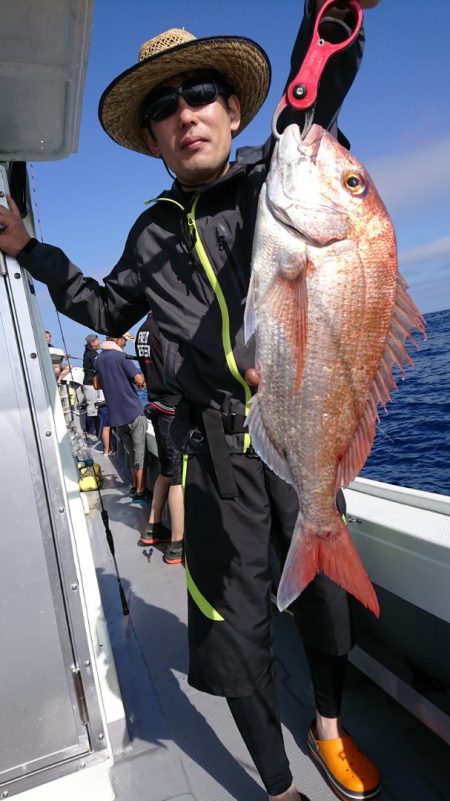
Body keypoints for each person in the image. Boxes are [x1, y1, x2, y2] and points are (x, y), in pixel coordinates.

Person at [0, 3, 384, 799]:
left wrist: (331, 15)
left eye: (201, 91)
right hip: (214, 460)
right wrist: (29, 249)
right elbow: (106, 310)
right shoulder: (148, 234)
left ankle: (329, 729)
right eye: (162, 108)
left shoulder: (274, 179)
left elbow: (313, 99)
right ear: (152, 138)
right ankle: (278, 785)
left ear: (234, 108)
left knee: (329, 612)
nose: (184, 114)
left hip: (297, 432)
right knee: (234, 637)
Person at [135, 311, 184, 565]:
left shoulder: (143, 329)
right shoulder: (165, 327)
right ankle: (177, 544)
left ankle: (153, 528)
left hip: (156, 406)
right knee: (177, 476)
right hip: (173, 410)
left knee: (166, 470)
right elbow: (175, 372)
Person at [93, 334, 149, 499]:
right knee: (139, 452)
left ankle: (134, 486)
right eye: (125, 339)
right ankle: (140, 490)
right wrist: (142, 382)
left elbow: (97, 384)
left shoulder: (99, 359)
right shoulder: (121, 356)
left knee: (131, 452)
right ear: (117, 339)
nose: (125, 343)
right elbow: (139, 379)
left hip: (116, 414)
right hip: (133, 410)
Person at [83, 333, 100, 441]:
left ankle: (93, 430)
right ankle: (91, 431)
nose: (100, 342)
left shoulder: (89, 353)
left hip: (90, 384)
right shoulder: (92, 354)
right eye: (98, 341)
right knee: (92, 408)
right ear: (92, 343)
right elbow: (98, 367)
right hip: (90, 384)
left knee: (93, 407)